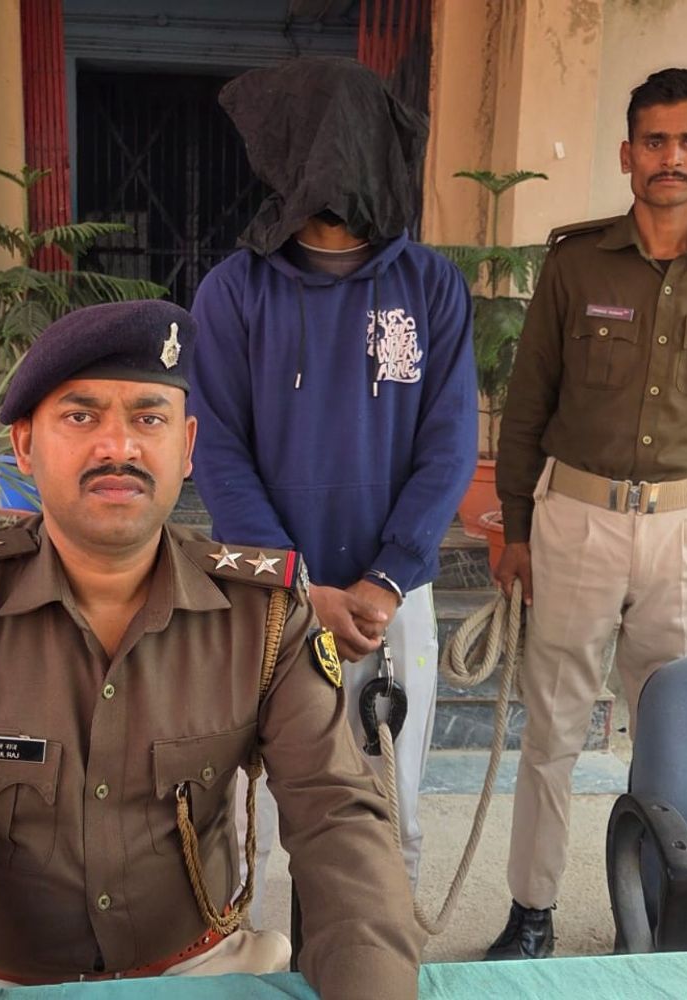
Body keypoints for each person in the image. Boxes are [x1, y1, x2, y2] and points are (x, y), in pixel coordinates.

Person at [0, 299, 425, 1000]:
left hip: (196, 973)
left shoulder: (264, 615)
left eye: (148, 418)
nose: (119, 448)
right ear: (24, 446)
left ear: (187, 447)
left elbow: (338, 821)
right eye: (81, 417)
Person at [188, 56, 478, 907]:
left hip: (394, 601)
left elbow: (449, 444)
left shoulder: (429, 286)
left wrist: (388, 576)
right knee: (270, 820)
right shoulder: (233, 293)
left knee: (391, 812)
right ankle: (281, 964)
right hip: (274, 602)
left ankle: (379, 964)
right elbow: (219, 452)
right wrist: (298, 586)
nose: (331, 161)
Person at [487, 67, 687, 961]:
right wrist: (514, 528)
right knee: (552, 728)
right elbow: (527, 404)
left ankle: (663, 909)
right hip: (576, 523)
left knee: (677, 733)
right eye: (655, 140)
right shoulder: (576, 263)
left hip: (686, 530)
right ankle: (532, 910)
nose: (671, 157)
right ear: (627, 154)